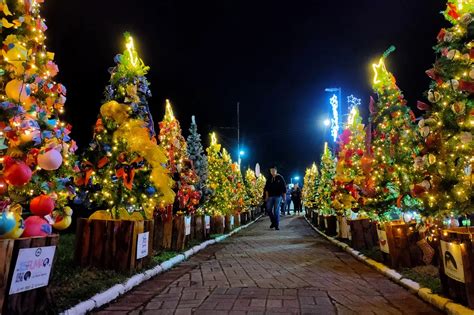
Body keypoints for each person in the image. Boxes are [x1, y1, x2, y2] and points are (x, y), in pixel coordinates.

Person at [264, 165, 286, 230]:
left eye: (274, 170)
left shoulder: (280, 177)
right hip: (270, 196)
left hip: (278, 196)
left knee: (276, 211)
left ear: (276, 171)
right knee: (268, 209)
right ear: (270, 171)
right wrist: (266, 196)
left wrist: (284, 197)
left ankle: (276, 225)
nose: (272, 172)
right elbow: (266, 188)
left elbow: (284, 188)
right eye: (271, 171)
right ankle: (273, 221)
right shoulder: (269, 178)